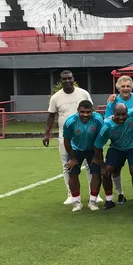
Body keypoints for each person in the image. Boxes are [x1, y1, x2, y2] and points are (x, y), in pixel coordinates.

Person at [43, 70, 93, 205]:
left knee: (90, 164)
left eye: (69, 78)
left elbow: (91, 111)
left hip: (85, 135)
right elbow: (51, 116)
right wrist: (47, 133)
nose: (67, 81)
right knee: (67, 165)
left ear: (73, 79)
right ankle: (71, 195)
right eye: (64, 79)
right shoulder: (56, 97)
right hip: (65, 137)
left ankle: (93, 194)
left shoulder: (83, 93)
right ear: (61, 81)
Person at [94, 103, 133, 208]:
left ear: (127, 113)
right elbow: (97, 146)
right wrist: (101, 165)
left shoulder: (132, 114)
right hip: (116, 148)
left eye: (123, 114)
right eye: (117, 114)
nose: (120, 117)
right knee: (107, 172)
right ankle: (109, 200)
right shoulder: (107, 126)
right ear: (113, 113)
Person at [61, 100, 110, 212]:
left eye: (88, 112)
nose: (85, 115)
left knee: (96, 173)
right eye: (82, 112)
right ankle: (76, 202)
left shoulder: (98, 120)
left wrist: (97, 156)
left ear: (92, 111)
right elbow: (67, 141)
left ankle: (93, 201)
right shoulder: (70, 122)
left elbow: (100, 139)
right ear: (78, 110)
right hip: (75, 149)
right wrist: (73, 158)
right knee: (72, 173)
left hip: (93, 149)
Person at [103, 75, 133, 200]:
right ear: (118, 88)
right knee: (113, 169)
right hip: (117, 142)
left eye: (128, 86)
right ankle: (120, 194)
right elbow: (106, 119)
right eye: (123, 86)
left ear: (132, 87)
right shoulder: (112, 101)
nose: (125, 88)